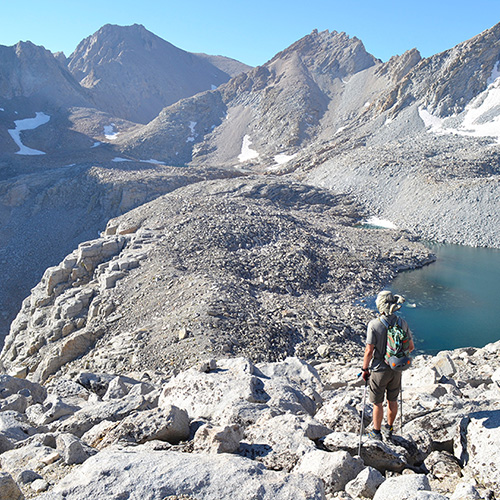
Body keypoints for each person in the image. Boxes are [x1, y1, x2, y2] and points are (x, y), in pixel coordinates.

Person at [361, 290, 415, 440]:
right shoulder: (402, 323)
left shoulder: (374, 324)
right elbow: (411, 347)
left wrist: (365, 369)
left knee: (377, 402)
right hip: (396, 368)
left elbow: (368, 351)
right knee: (393, 400)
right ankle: (389, 429)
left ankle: (376, 432)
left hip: (379, 370)